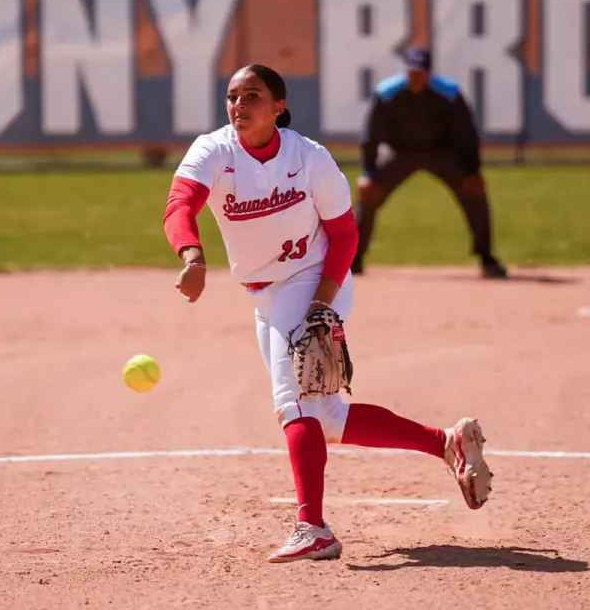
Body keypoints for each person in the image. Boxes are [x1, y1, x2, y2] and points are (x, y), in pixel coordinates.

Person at [162, 64, 493, 563]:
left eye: (253, 95)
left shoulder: (308, 157)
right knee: (328, 418)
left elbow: (344, 236)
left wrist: (322, 302)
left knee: (291, 401)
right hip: (265, 294)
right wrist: (192, 255)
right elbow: (180, 205)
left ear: (278, 106)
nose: (239, 106)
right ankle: (445, 443)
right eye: (232, 96)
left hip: (316, 280)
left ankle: (312, 527)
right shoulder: (215, 150)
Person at [354, 47, 507, 279]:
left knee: (475, 193)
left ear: (429, 73)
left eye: (422, 73)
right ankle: (354, 260)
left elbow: (467, 134)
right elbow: (371, 137)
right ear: (406, 72)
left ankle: (487, 258)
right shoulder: (387, 93)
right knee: (368, 195)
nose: (417, 77)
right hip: (400, 152)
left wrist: (472, 171)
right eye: (413, 72)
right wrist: (369, 174)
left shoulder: (449, 93)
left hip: (441, 153)